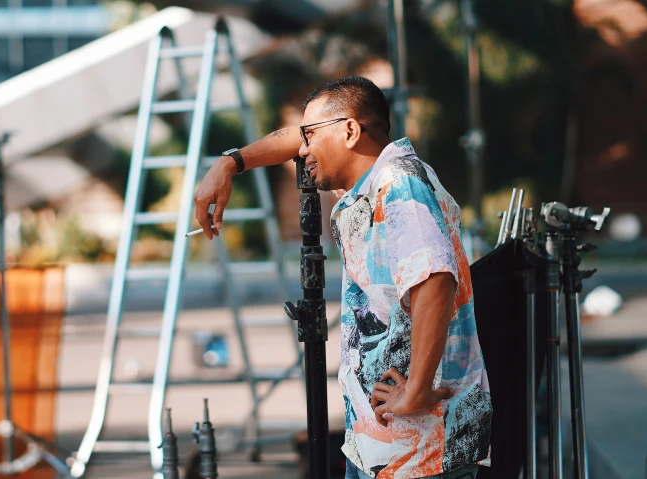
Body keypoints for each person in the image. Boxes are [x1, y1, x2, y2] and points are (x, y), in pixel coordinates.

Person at [193, 76, 491, 479]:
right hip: (383, 447)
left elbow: (434, 281)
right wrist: (229, 164)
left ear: (350, 131)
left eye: (311, 135)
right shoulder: (369, 183)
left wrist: (417, 389)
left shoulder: (399, 185)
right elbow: (294, 138)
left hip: (421, 450)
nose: (302, 149)